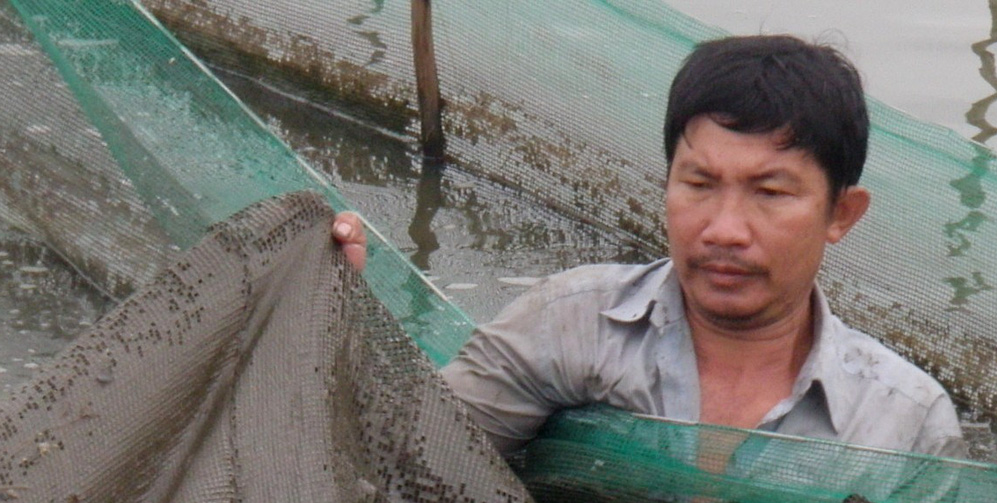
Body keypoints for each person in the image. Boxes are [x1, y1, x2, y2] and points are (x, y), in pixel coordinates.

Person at [332, 34, 962, 460]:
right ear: (667, 182)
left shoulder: (903, 426)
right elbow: (402, 457)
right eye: (699, 183)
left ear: (841, 214)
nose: (724, 230)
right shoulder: (570, 325)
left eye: (770, 193)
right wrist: (337, 315)